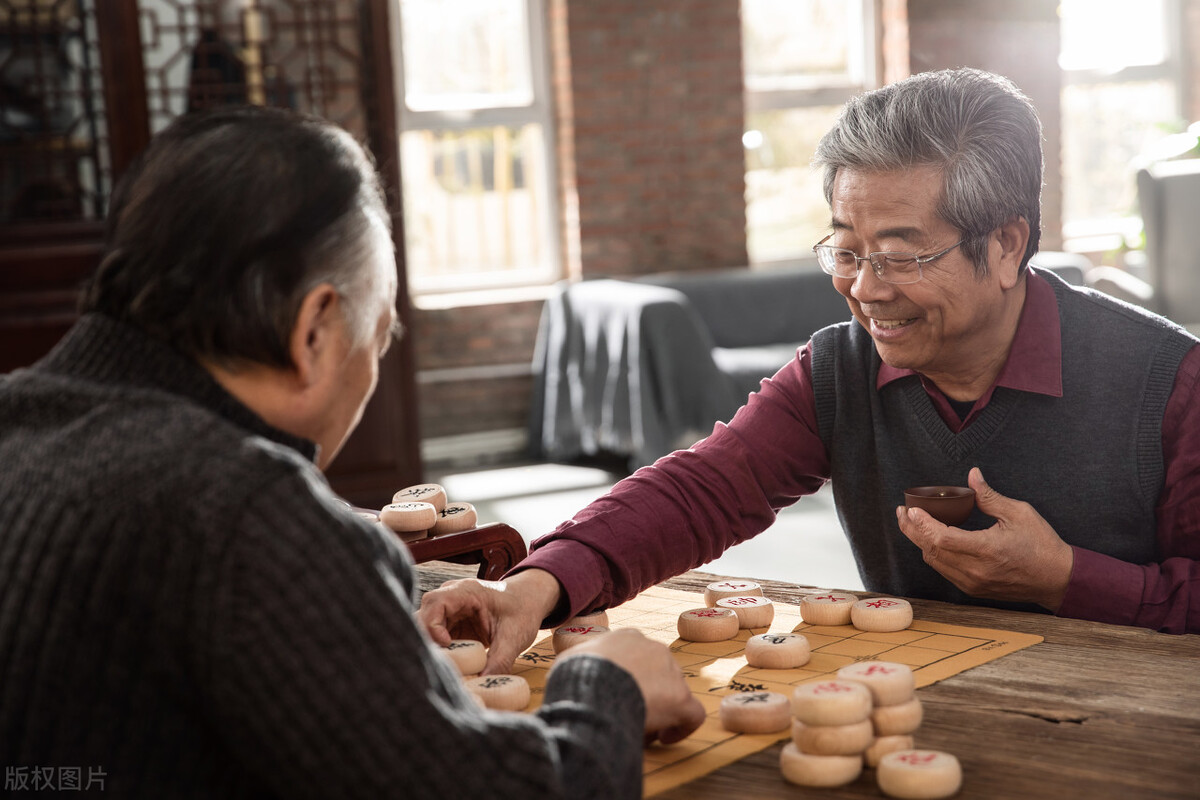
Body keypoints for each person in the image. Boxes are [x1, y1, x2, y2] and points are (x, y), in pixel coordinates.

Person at [0, 106, 703, 798]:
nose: (374, 359)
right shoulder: (252, 515)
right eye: (380, 335)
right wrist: (606, 688)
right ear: (313, 331)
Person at [419, 67, 1200, 672]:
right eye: (847, 251)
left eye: (898, 255)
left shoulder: (1172, 383)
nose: (864, 289)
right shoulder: (840, 369)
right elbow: (702, 489)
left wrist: (1065, 576)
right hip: (918, 706)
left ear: (1004, 245)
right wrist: (528, 587)